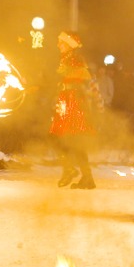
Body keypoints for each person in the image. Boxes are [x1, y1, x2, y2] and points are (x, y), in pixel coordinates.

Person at [50, 31, 97, 189]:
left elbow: (85, 79)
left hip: (73, 102)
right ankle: (87, 177)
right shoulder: (67, 59)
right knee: (73, 141)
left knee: (64, 138)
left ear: (69, 44)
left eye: (61, 42)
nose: (58, 45)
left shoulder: (75, 59)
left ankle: (70, 169)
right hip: (68, 100)